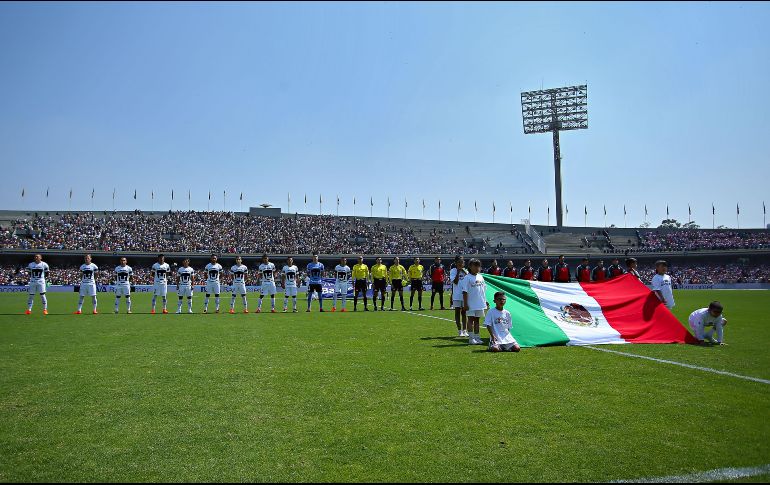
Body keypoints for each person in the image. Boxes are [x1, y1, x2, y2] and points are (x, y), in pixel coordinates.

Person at [461, 258, 488, 345]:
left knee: (477, 320)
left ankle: (477, 337)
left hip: (480, 302)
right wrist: (465, 304)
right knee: (470, 320)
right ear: (470, 267)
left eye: (478, 266)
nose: (477, 268)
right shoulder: (467, 277)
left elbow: (483, 290)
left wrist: (485, 301)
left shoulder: (480, 276)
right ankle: (471, 338)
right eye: (475, 266)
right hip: (471, 303)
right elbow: (465, 291)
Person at [450, 256, 468, 337]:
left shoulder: (466, 271)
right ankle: (459, 330)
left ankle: (465, 330)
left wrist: (464, 271)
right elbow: (455, 282)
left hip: (464, 295)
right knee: (457, 312)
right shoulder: (453, 271)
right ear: (456, 263)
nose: (461, 264)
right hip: (457, 295)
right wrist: (458, 271)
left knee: (464, 313)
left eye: (462, 262)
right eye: (459, 262)